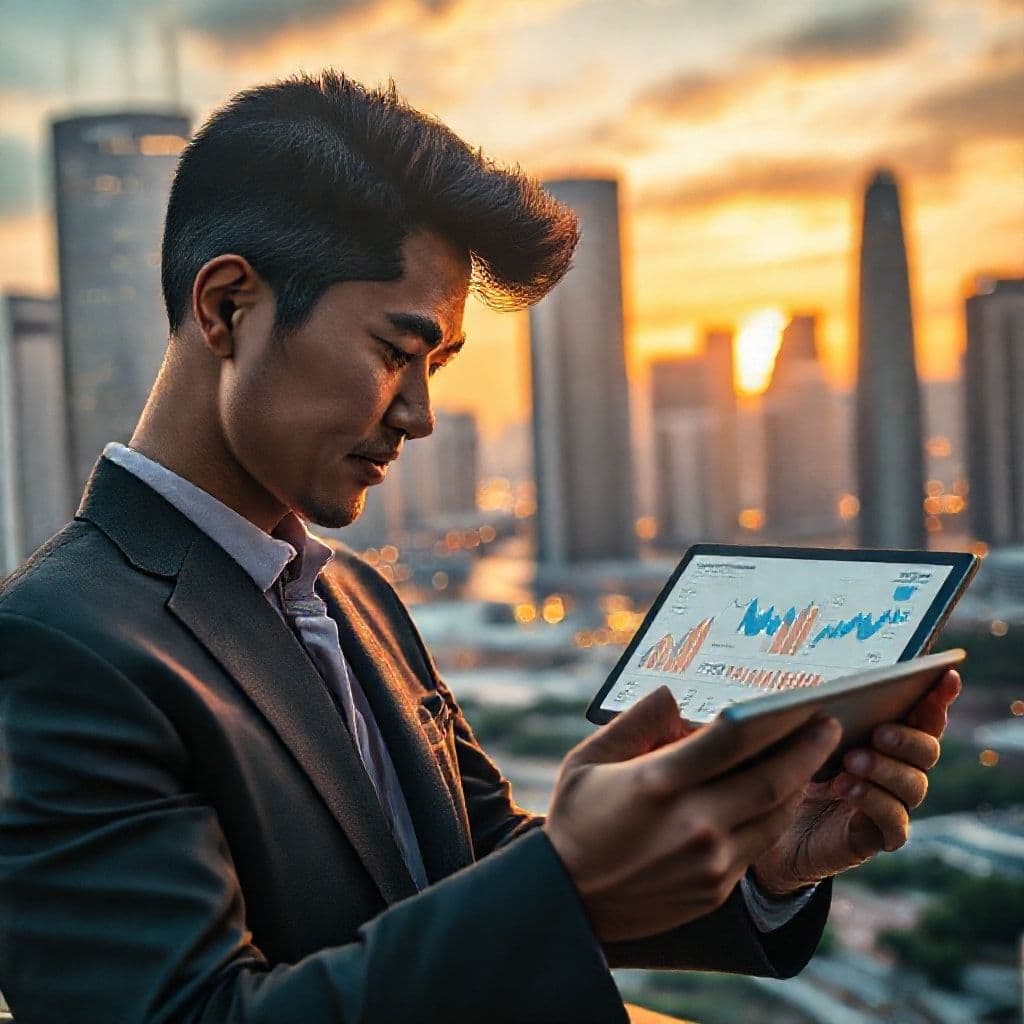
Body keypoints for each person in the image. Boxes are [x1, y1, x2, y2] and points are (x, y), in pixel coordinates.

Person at [0, 72, 959, 1024]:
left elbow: (481, 862)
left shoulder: (356, 600)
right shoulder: (56, 645)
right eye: (394, 352)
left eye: (439, 367)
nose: (419, 416)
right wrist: (568, 876)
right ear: (228, 308)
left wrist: (758, 858)